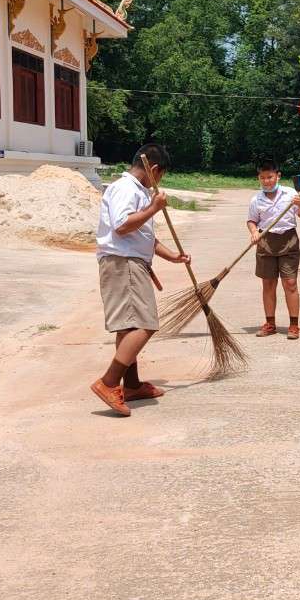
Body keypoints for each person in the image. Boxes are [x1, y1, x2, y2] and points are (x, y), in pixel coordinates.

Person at [89, 143, 191, 417]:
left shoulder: (138, 192)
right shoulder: (125, 188)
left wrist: (173, 256)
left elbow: (144, 235)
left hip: (131, 263)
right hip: (123, 263)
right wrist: (154, 208)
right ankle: (109, 382)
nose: (159, 182)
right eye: (161, 176)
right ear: (153, 169)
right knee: (145, 324)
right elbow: (122, 226)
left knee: (129, 326)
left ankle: (131, 385)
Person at [247, 159, 300, 340]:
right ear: (258, 178)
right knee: (268, 284)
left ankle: (294, 325)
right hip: (265, 242)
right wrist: (254, 232)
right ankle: (270, 324)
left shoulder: (291, 194)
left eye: (270, 177)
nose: (266, 181)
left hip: (288, 241)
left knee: (290, 283)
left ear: (278, 176)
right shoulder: (256, 199)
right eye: (262, 178)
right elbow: (251, 220)